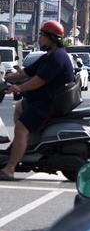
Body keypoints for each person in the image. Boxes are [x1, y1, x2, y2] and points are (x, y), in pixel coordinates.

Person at [0, 21, 75, 180]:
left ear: (52, 38)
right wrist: (4, 78)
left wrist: (19, 88)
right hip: (42, 100)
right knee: (19, 107)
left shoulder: (57, 57)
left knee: (21, 128)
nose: (39, 38)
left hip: (48, 104)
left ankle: (10, 169)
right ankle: (26, 143)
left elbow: (38, 81)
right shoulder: (48, 56)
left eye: (42, 35)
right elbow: (25, 73)